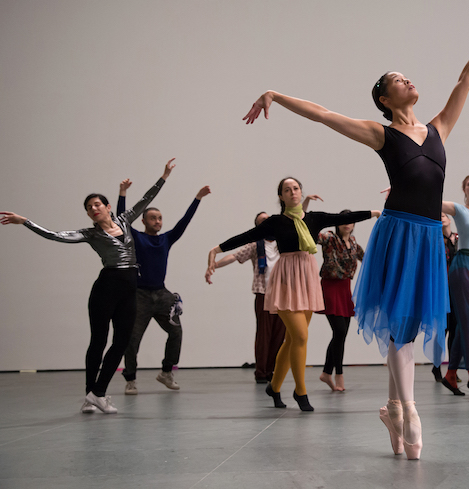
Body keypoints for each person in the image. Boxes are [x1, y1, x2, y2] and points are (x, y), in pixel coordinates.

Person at [242, 30, 469, 459]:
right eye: (397, 79)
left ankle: (394, 408)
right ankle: (408, 409)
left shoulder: (439, 129)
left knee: (406, 329)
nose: (407, 81)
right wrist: (275, 95)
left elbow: (465, 80)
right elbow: (324, 115)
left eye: (407, 77)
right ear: (385, 99)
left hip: (429, 238)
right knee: (399, 327)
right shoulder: (381, 134)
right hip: (398, 235)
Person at [1, 158, 175, 414]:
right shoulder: (90, 234)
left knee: (122, 340)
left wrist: (164, 176)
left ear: (107, 207)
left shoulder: (126, 220)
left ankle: (98, 393)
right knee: (98, 340)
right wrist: (25, 221)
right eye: (89, 207)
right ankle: (91, 396)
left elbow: (146, 199)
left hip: (129, 289)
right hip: (106, 288)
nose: (93, 208)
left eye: (97, 204)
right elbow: (55, 235)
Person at [206, 177, 379, 412]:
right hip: (286, 278)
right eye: (287, 190)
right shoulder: (275, 222)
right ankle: (300, 391)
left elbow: (344, 218)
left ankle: (275, 386)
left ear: (300, 192)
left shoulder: (314, 218)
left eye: (295, 188)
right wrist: (216, 250)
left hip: (307, 278)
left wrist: (375, 212)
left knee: (291, 340)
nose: (292, 192)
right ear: (281, 196)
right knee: (300, 336)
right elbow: (246, 236)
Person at [117, 181, 211, 395]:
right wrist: (122, 194)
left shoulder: (166, 239)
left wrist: (197, 198)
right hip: (139, 295)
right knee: (132, 339)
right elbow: (122, 221)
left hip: (162, 294)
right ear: (143, 221)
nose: (158, 221)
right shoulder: (135, 237)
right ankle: (130, 379)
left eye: (160, 218)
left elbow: (184, 222)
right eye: (153, 218)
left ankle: (166, 372)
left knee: (176, 332)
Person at [206, 212, 282, 383]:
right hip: (264, 294)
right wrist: (214, 265)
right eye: (262, 221)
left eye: (268, 219)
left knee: (279, 335)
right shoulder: (256, 245)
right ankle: (262, 373)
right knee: (264, 334)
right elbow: (234, 256)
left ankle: (274, 371)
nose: (267, 222)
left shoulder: (283, 242)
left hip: (283, 295)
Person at [440, 174, 469, 396]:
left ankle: (451, 375)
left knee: (466, 321)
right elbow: (431, 201)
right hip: (463, 264)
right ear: (464, 189)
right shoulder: (459, 209)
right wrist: (404, 190)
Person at [315, 208, 365, 393]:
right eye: (344, 220)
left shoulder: (352, 242)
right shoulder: (330, 238)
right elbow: (314, 237)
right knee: (340, 330)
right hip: (330, 286)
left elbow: (366, 258)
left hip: (345, 288)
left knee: (340, 335)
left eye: (350, 220)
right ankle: (338, 374)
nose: (347, 223)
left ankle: (327, 373)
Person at [431, 212, 459, 383]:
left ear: (449, 220)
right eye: (438, 216)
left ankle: (452, 369)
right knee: (441, 331)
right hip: (441, 290)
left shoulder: (458, 237)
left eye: (443, 215)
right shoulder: (435, 239)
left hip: (457, 289)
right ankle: (436, 367)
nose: (441, 217)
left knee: (455, 332)